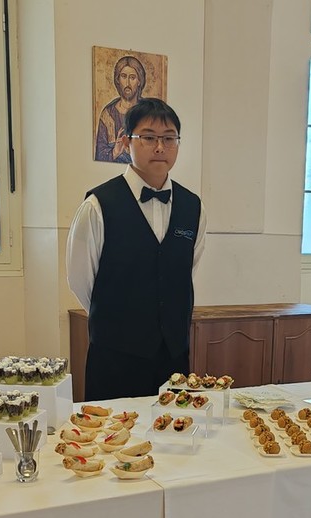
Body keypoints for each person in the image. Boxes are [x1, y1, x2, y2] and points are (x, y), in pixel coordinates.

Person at [68, 98, 207, 401]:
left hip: (173, 356)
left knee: (175, 426)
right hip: (115, 357)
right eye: (148, 137)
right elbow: (81, 280)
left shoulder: (193, 207)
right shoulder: (98, 205)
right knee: (110, 429)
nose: (160, 147)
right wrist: (120, 320)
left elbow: (185, 270)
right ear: (125, 141)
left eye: (169, 138)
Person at [94, 55, 146, 163]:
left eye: (132, 77)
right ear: (117, 80)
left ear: (139, 81)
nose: (127, 83)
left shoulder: (148, 112)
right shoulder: (108, 114)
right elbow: (100, 155)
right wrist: (115, 152)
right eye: (123, 76)